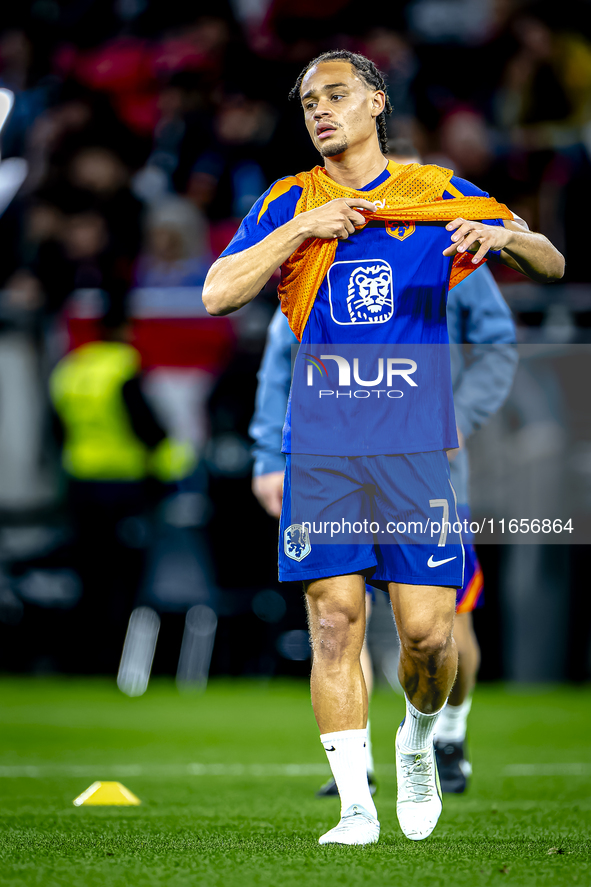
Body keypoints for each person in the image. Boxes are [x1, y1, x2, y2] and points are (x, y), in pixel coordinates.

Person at [203, 50, 564, 846]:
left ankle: (416, 741)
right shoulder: (288, 200)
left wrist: (501, 237)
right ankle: (355, 806)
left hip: (415, 452)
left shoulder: (432, 191)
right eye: (307, 102)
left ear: (375, 101)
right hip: (323, 449)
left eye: (335, 95)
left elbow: (551, 257)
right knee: (333, 622)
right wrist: (302, 227)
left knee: (428, 636)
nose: (319, 110)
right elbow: (217, 290)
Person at [49, 309, 195, 672]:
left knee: (88, 576)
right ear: (123, 330)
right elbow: (148, 429)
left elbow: (55, 430)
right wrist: (176, 474)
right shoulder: (122, 369)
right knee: (123, 580)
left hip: (80, 485)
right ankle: (116, 662)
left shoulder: (71, 371)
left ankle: (82, 660)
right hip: (124, 488)